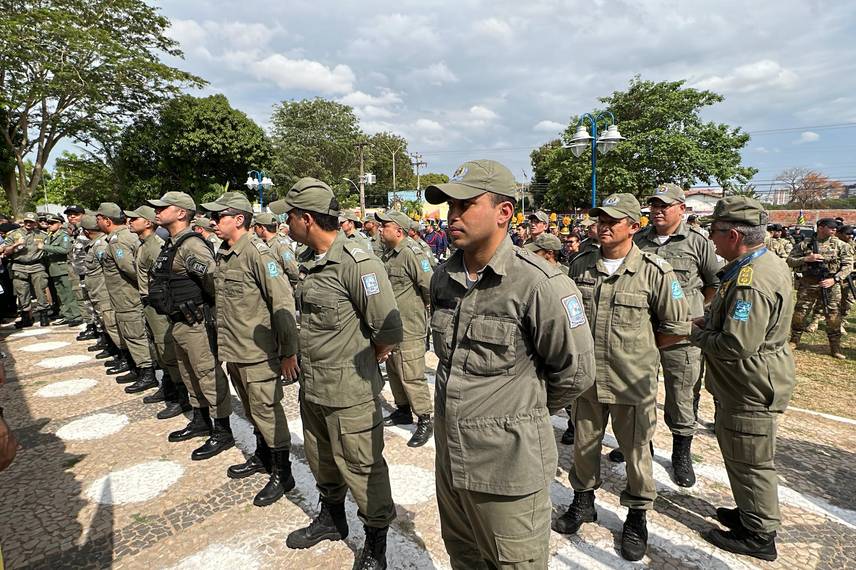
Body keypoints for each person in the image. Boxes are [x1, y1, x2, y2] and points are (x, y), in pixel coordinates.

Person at [425, 160, 595, 569]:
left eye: (465, 204)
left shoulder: (540, 283)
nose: (453, 215)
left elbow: (575, 373)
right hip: (452, 459)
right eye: (450, 205)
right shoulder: (443, 277)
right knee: (464, 556)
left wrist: (518, 411)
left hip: (507, 470)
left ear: (504, 213)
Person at [270, 178, 402, 570]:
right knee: (322, 460)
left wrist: (358, 363)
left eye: (290, 216)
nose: (286, 223)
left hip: (349, 392)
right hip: (313, 387)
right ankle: (332, 518)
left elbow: (388, 331)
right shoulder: (310, 261)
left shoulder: (358, 263)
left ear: (307, 219)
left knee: (363, 467)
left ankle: (375, 541)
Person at [554, 193, 690, 562]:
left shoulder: (654, 271)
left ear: (634, 226)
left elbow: (675, 328)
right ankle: (583, 503)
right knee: (584, 445)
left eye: (613, 220)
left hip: (633, 382)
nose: (603, 226)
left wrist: (638, 354)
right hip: (588, 379)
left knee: (636, 453)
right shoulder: (580, 265)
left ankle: (636, 517)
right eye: (600, 219)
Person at [690, 197, 795, 561]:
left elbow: (737, 343)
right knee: (740, 454)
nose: (712, 240)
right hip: (745, 383)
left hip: (750, 385)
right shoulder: (756, 264)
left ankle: (759, 534)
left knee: (752, 460)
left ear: (734, 234)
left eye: (715, 233)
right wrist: (711, 322)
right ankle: (749, 513)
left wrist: (695, 334)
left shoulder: (752, 280)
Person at [203, 192, 299, 506]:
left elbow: (282, 303)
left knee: (267, 412)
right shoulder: (225, 252)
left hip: (259, 354)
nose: (213, 223)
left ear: (239, 219)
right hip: (236, 349)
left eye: (219, 217)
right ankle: (263, 455)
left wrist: (288, 353)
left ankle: (282, 472)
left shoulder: (259, 254)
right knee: (252, 409)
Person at [630, 183, 721, 486]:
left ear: (681, 209)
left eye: (664, 206)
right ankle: (643, 445)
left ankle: (681, 452)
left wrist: (690, 313)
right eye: (654, 205)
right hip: (643, 331)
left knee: (682, 394)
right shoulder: (638, 240)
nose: (657, 211)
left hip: (682, 336)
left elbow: (713, 284)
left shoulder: (697, 242)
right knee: (638, 392)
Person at [147, 191, 234, 460]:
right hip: (178, 322)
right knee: (188, 373)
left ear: (182, 213)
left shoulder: (191, 245)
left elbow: (213, 282)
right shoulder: (171, 243)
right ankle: (200, 419)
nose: (157, 212)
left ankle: (222, 431)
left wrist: (204, 309)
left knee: (207, 375)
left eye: (164, 208)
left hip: (196, 322)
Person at [375, 209, 434, 447]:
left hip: (410, 325)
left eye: (384, 226)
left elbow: (429, 286)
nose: (380, 229)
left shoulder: (412, 253)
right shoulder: (390, 254)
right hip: (393, 326)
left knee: (411, 374)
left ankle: (425, 418)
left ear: (398, 230)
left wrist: (424, 310)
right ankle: (402, 410)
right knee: (395, 369)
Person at [125, 206, 189, 417]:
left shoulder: (155, 246)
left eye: (135, 218)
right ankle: (168, 387)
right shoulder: (144, 245)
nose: (130, 222)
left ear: (148, 223)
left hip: (158, 305)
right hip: (149, 303)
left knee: (167, 349)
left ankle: (181, 397)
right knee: (159, 350)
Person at [96, 203, 155, 387]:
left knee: (134, 334)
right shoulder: (124, 236)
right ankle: (140, 368)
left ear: (107, 220)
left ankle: (147, 373)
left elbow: (130, 268)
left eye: (98, 218)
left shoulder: (117, 241)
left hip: (127, 296)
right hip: (126, 295)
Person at [787, 218, 853, 359]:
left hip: (830, 284)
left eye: (835, 227)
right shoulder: (805, 244)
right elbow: (790, 260)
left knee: (833, 315)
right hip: (808, 283)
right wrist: (806, 259)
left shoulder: (841, 245)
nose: (834, 229)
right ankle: (794, 341)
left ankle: (835, 348)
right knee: (800, 313)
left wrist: (834, 279)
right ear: (821, 227)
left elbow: (848, 266)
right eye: (831, 227)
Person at [0, 212, 49, 328]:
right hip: (19, 266)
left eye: (31, 222)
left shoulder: (43, 235)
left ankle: (44, 316)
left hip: (37, 266)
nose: (28, 224)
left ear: (36, 223)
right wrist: (15, 245)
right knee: (22, 292)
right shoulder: (13, 234)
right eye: (26, 221)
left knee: (40, 291)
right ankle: (26, 317)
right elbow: (5, 252)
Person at [42, 213, 82, 326]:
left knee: (69, 293)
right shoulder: (50, 236)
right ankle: (67, 315)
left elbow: (65, 249)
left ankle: (76, 315)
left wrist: (45, 247)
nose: (49, 225)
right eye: (48, 223)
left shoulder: (63, 236)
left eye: (52, 223)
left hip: (63, 268)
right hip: (54, 269)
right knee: (61, 294)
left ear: (59, 224)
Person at [65, 205, 98, 339]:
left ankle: (94, 327)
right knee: (84, 300)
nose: (72, 217)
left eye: (76, 214)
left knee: (91, 301)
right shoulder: (76, 231)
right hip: (80, 272)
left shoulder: (87, 231)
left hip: (89, 272)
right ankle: (92, 325)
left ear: (83, 215)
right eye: (69, 214)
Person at [254, 212, 300, 288]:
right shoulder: (263, 243)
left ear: (262, 228)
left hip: (281, 289)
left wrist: (288, 285)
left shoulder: (281, 245)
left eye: (256, 227)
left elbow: (292, 270)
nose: (254, 230)